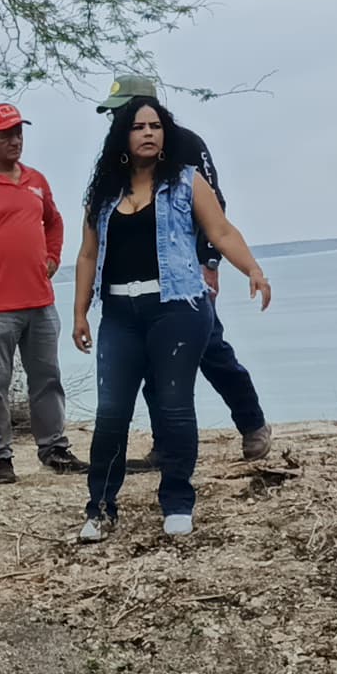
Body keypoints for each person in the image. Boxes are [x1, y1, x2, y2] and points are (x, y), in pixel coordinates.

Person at [68, 98, 273, 541]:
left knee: (174, 404)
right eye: (138, 126)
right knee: (112, 412)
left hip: (177, 307)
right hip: (119, 312)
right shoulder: (103, 191)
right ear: (122, 135)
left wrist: (253, 270)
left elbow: (221, 231)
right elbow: (87, 254)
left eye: (155, 126)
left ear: (165, 135)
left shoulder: (185, 181)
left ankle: (178, 501)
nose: (148, 133)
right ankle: (100, 509)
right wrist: (79, 312)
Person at [98, 73, 272, 462]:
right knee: (150, 363)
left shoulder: (185, 145)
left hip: (186, 280)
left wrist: (210, 262)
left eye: (122, 111)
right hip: (138, 288)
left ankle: (252, 423)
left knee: (212, 349)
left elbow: (216, 210)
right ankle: (164, 444)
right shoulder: (117, 154)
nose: (117, 120)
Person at [0, 101, 84, 485]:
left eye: (18, 133)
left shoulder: (36, 180)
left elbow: (54, 222)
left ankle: (53, 448)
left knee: (47, 378)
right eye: (6, 134)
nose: (15, 140)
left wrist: (53, 257)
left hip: (39, 300)